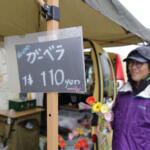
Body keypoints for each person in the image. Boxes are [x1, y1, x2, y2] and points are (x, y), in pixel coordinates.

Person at [111, 46, 150, 150]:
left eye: (139, 63)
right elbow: (113, 118)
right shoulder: (123, 93)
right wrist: (105, 121)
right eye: (131, 63)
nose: (133, 67)